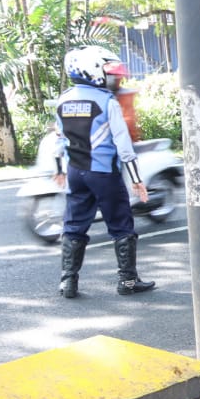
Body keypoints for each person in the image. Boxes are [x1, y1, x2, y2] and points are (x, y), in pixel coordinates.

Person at [53, 45, 152, 299]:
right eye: (106, 71)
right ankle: (128, 281)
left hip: (76, 172)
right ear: (92, 71)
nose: (111, 76)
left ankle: (68, 282)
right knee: (121, 224)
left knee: (74, 225)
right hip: (104, 173)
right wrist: (137, 180)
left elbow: (59, 139)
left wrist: (59, 170)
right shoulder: (106, 101)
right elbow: (123, 144)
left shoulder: (63, 99)